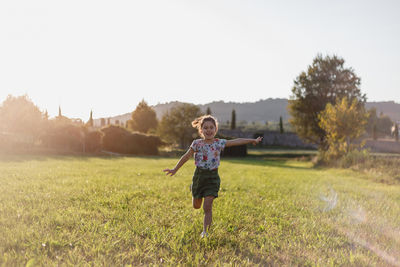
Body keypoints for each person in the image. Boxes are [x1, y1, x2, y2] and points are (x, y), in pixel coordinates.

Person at [163, 115, 263, 238]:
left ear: (215, 129)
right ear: (201, 130)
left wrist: (251, 140)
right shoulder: (197, 144)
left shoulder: (218, 143)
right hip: (199, 177)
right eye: (205, 128)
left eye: (211, 127)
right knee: (196, 206)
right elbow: (185, 156)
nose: (209, 130)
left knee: (207, 207)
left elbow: (236, 141)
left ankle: (205, 232)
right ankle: (193, 188)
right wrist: (175, 169)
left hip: (212, 178)